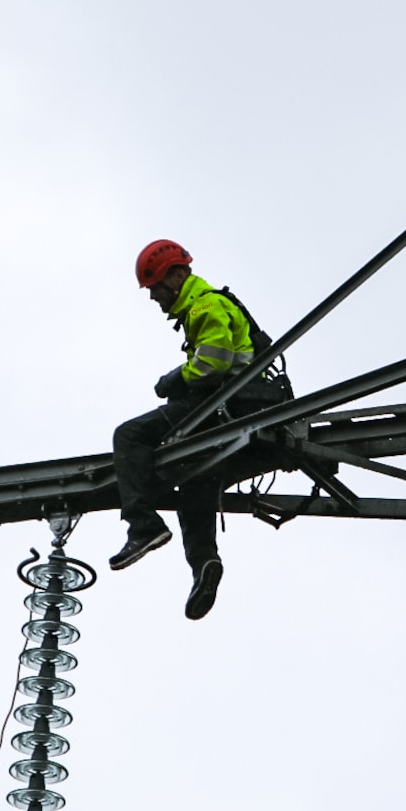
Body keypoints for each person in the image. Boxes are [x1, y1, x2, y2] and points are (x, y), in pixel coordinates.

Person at [109, 239, 287, 620]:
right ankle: (204, 563)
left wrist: (177, 378)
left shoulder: (205, 305)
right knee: (194, 480)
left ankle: (143, 526)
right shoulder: (205, 306)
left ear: (176, 277)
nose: (154, 297)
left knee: (129, 436)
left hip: (224, 408)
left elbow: (212, 365)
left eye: (156, 287)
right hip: (232, 408)